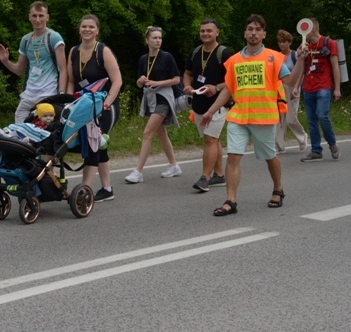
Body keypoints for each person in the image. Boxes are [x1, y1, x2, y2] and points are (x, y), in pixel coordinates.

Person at [200, 14, 305, 216]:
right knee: (233, 157)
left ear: (264, 34)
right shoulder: (234, 60)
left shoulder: (273, 57)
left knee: (269, 157)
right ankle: (230, 201)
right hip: (238, 116)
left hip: (263, 117)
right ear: (245, 33)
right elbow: (228, 90)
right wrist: (210, 112)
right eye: (250, 29)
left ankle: (278, 189)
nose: (253, 32)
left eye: (258, 29)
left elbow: (290, 81)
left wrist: (300, 60)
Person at [66, 14, 122, 202]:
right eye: (84, 27)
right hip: (84, 105)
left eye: (91, 27)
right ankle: (107, 189)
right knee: (100, 144)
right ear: (79, 29)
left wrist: (107, 103)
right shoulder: (73, 51)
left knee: (93, 142)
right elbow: (71, 81)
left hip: (105, 104)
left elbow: (117, 81)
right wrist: (68, 102)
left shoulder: (102, 51)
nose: (87, 30)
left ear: (97, 30)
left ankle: (84, 190)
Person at [124, 26, 182, 184]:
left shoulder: (167, 57)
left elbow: (177, 79)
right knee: (161, 133)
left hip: (163, 97)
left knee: (147, 133)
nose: (158, 40)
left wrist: (158, 83)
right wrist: (141, 80)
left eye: (160, 38)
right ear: (147, 40)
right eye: (155, 38)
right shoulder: (143, 59)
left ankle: (138, 171)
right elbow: (138, 83)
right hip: (150, 98)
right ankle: (174, 165)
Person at [0, 1, 67, 123]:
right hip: (29, 93)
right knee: (20, 125)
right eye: (34, 16)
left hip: (48, 93)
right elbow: (19, 70)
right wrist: (5, 61)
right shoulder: (26, 40)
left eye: (41, 15)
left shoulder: (53, 37)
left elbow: (63, 69)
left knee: (44, 127)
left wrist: (61, 95)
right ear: (29, 17)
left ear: (47, 17)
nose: (37, 19)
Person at [183, 18, 233, 192]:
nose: (205, 33)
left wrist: (217, 87)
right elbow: (188, 73)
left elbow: (234, 80)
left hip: (219, 103)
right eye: (202, 31)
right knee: (213, 139)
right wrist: (187, 86)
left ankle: (205, 177)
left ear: (217, 32)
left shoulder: (224, 53)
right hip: (199, 102)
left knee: (209, 140)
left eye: (209, 31)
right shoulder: (195, 52)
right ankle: (219, 175)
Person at [300, 18, 341, 162]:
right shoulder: (306, 46)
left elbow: (335, 66)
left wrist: (337, 88)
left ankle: (332, 144)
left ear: (313, 29)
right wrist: (295, 87)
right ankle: (316, 151)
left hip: (324, 85)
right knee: (311, 120)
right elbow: (302, 68)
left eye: (307, 30)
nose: (305, 33)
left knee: (322, 115)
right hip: (308, 86)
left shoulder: (329, 43)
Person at [275, 30, 308, 153]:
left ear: (289, 42)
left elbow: (300, 73)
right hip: (280, 88)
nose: (282, 44)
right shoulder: (277, 56)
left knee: (290, 117)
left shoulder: (294, 55)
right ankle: (279, 145)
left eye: (284, 42)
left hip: (293, 87)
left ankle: (302, 137)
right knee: (279, 119)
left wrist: (296, 88)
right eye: (279, 42)